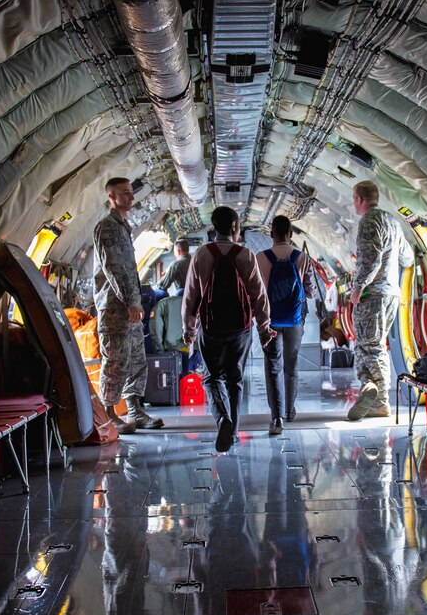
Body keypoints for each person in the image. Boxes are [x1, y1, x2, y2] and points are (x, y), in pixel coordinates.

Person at [182, 206, 276, 452]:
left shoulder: (202, 254)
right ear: (235, 226)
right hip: (240, 329)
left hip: (210, 327)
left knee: (212, 378)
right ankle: (232, 433)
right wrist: (264, 328)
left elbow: (191, 296)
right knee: (235, 380)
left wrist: (189, 330)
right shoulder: (246, 255)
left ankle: (222, 418)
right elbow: (259, 296)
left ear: (213, 227)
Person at [92, 177, 164, 434]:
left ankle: (134, 409)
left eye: (131, 193)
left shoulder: (123, 226)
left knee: (136, 359)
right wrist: (131, 302)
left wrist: (136, 302)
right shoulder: (108, 228)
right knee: (115, 361)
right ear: (111, 196)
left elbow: (129, 271)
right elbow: (115, 269)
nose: (131, 198)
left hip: (129, 308)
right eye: (125, 193)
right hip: (115, 309)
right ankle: (108, 413)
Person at [347, 180, 414, 420]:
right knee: (371, 344)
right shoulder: (393, 222)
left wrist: (357, 288)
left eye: (354, 198)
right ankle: (369, 388)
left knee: (370, 347)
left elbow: (370, 260)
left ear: (360, 199)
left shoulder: (368, 222)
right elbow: (408, 257)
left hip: (372, 295)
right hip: (390, 293)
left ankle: (381, 399)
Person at [256, 215, 317, 435]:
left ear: (272, 233)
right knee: (290, 367)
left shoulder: (260, 258)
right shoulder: (302, 258)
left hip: (268, 320)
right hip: (294, 320)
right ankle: (290, 412)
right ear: (290, 234)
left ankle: (277, 417)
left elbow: (254, 291)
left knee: (273, 367)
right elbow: (310, 291)